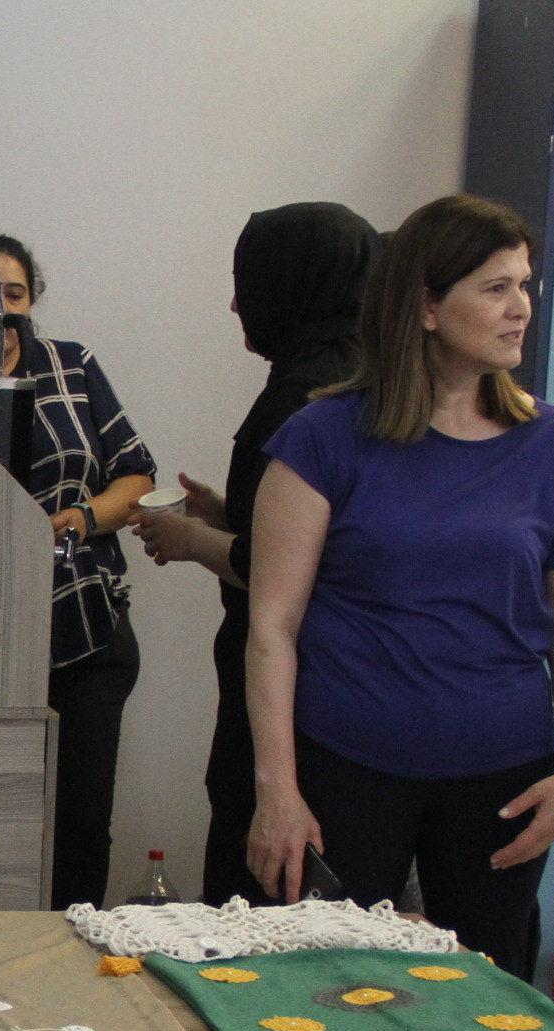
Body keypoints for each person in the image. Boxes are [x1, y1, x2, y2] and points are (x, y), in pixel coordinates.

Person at [240, 194, 554, 978]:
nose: (521, 308)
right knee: (326, 992)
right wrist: (277, 789)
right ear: (426, 306)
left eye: (524, 286)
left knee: (485, 999)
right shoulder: (324, 437)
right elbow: (271, 629)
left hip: (502, 776)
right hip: (345, 765)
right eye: (496, 288)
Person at [132, 203, 380, 906]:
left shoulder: (310, 395)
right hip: (339, 686)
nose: (237, 305)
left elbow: (294, 576)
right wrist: (230, 514)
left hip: (297, 693)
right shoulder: (355, 373)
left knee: (265, 901)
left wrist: (191, 541)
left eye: (250, 283)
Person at [0, 232, 157, 908]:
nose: (4, 308)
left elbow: (137, 476)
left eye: (17, 293)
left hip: (81, 625)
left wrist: (82, 518)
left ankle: (74, 948)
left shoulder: (71, 366)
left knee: (80, 824)